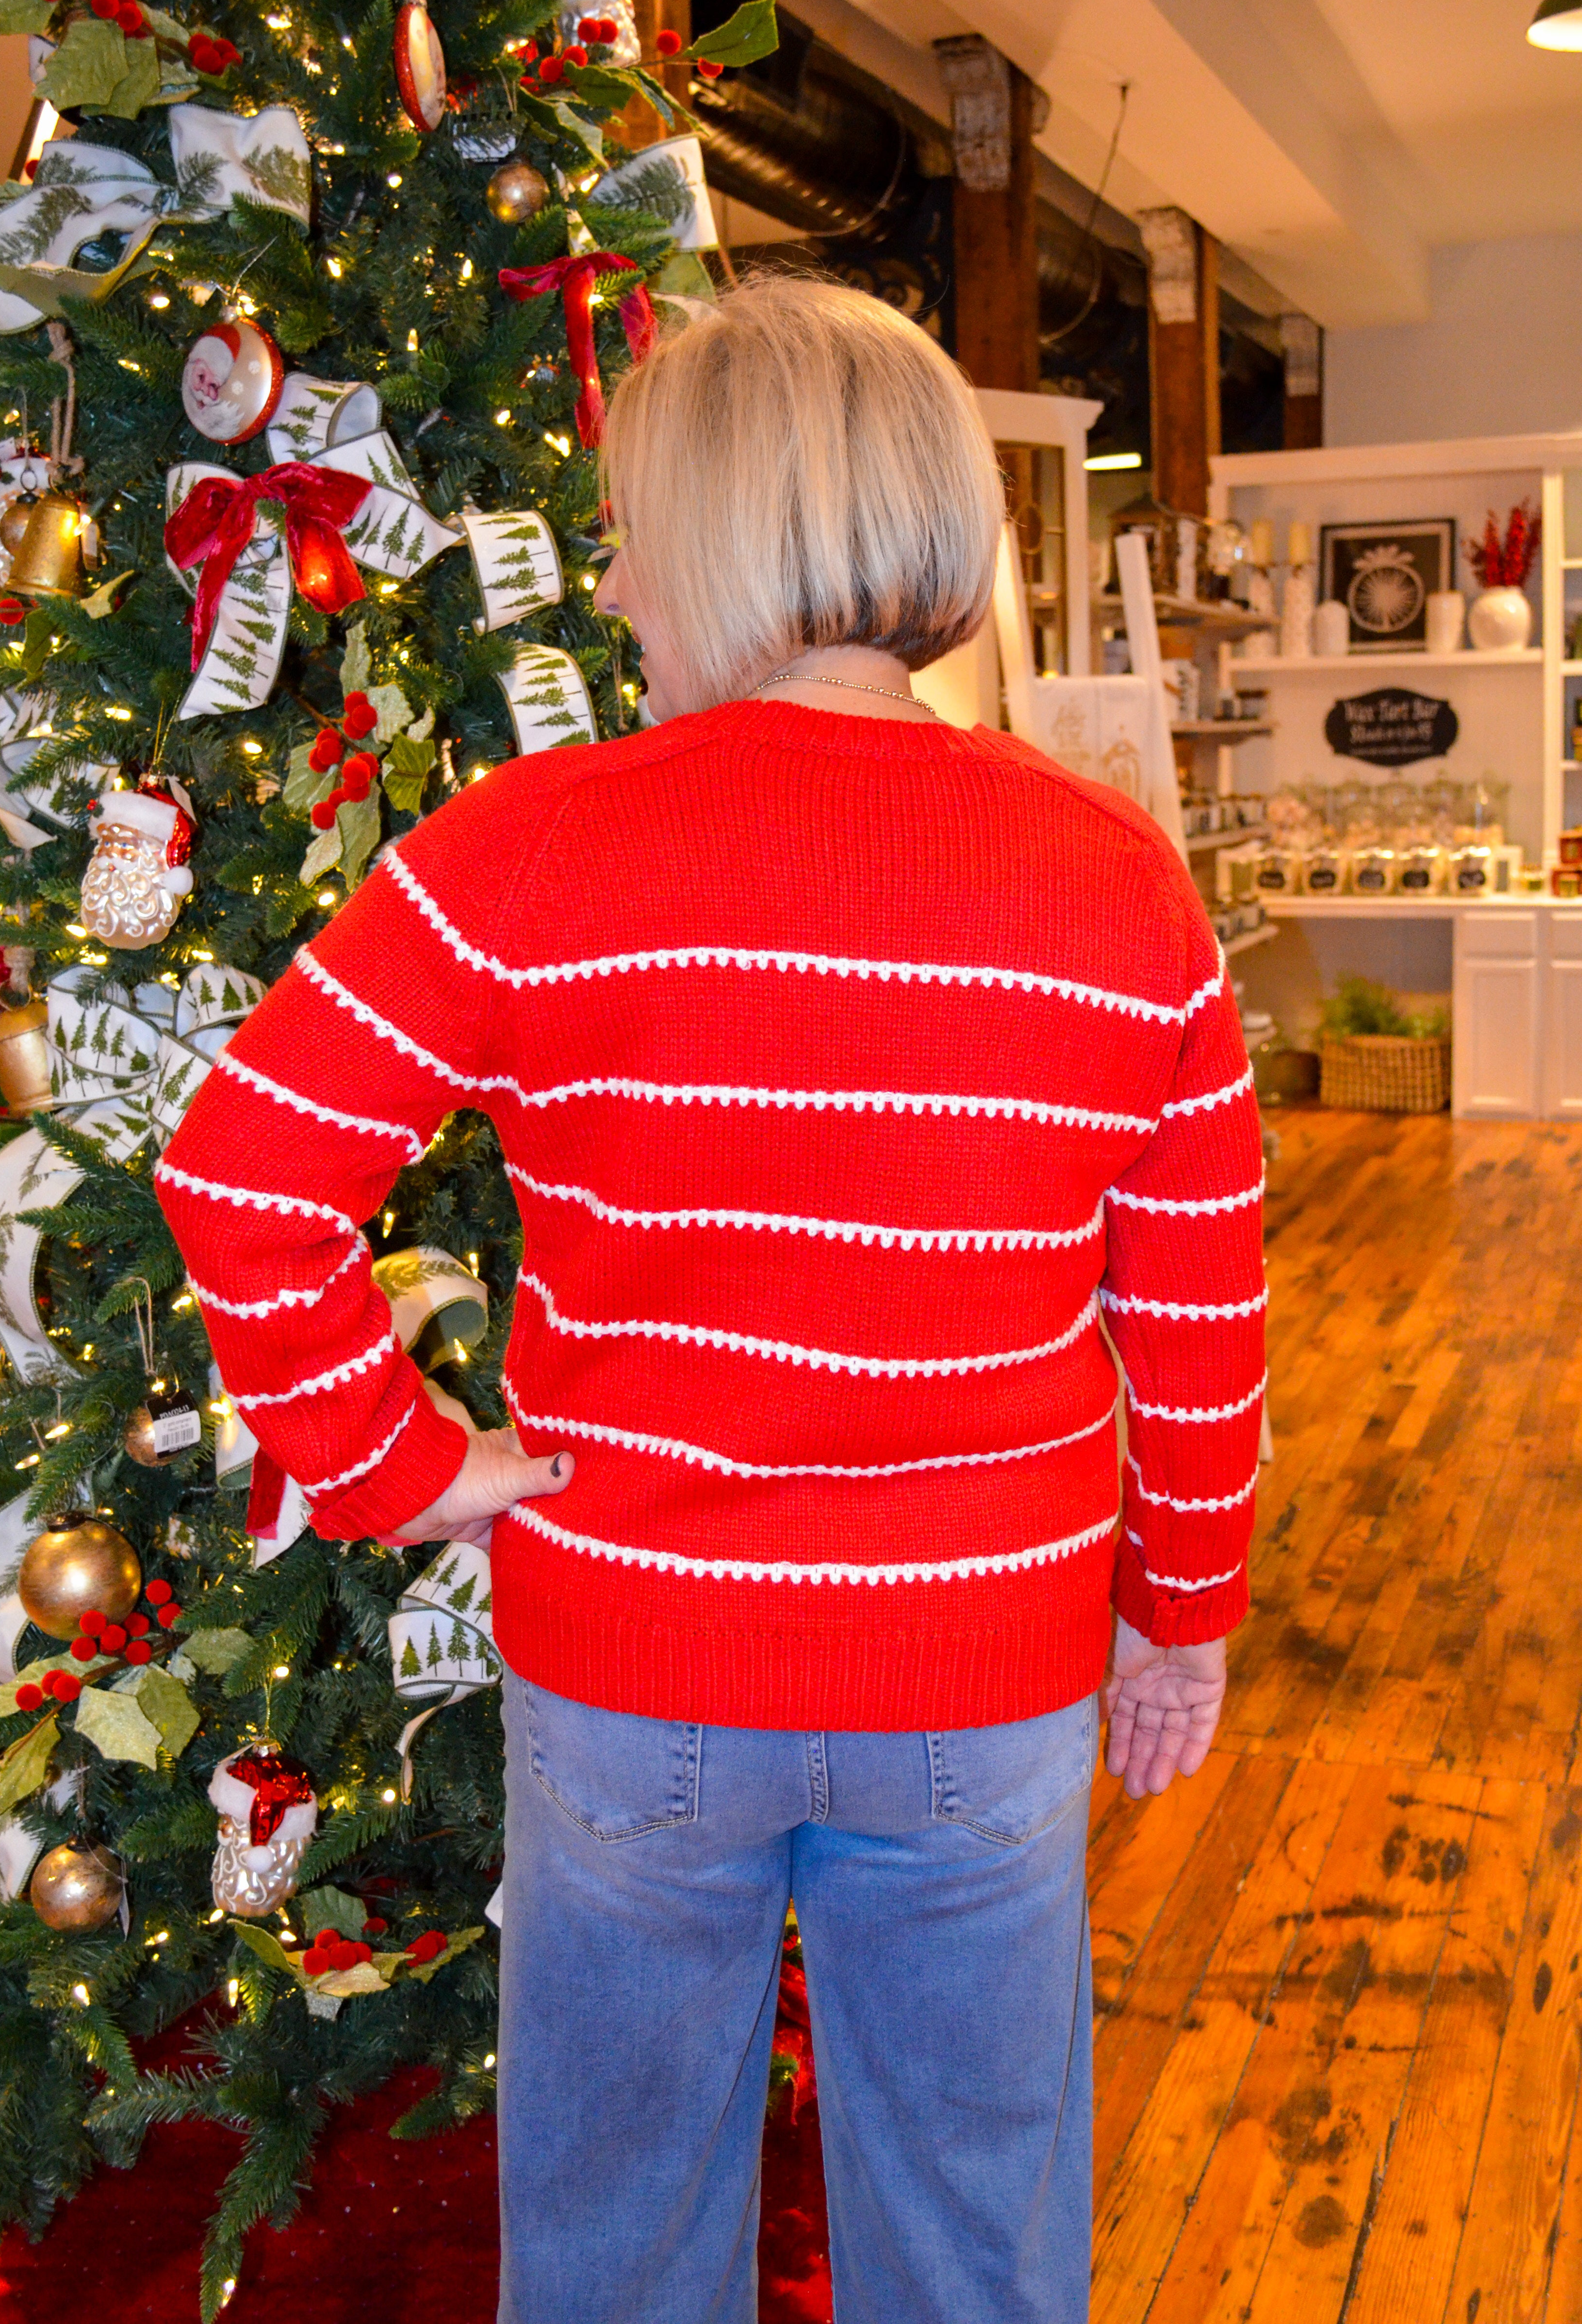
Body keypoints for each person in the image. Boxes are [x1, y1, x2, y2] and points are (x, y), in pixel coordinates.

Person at [158, 274, 1265, 2324]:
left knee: (615, 2226)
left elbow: (238, 1167)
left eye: (630, 531)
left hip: (635, 1666)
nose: (611, 581)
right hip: (978, 1669)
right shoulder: (1114, 874)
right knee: (975, 2224)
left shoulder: (533, 847)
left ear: (721, 539)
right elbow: (1195, 1312)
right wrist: (1178, 1615)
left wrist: (409, 1468)